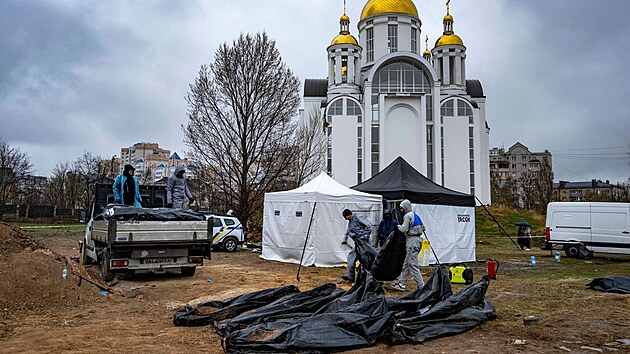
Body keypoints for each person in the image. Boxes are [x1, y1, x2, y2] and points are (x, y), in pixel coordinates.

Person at [391, 199, 425, 291]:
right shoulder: (416, 215)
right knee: (406, 264)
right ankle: (401, 284)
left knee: (412, 264)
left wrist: (398, 226)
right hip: (418, 241)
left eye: (402, 208)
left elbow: (404, 229)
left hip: (412, 241)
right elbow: (424, 228)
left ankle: (421, 286)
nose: (401, 210)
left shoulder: (407, 216)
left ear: (405, 207)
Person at [341, 208, 372, 283]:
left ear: (348, 215)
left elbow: (369, 226)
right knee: (351, 258)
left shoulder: (358, 217)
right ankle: (350, 277)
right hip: (358, 244)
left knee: (365, 261)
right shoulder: (350, 222)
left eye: (345, 217)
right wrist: (345, 240)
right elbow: (348, 231)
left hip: (365, 244)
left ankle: (364, 279)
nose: (345, 219)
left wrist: (363, 236)